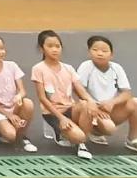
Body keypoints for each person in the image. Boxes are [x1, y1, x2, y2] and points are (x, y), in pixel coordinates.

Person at [76, 35, 137, 156]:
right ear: (89, 52)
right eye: (95, 50)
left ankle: (133, 140)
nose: (100, 53)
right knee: (109, 128)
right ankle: (88, 135)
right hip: (92, 110)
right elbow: (78, 89)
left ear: (111, 54)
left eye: (104, 51)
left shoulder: (117, 68)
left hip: (109, 109)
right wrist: (93, 104)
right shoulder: (86, 66)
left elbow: (126, 93)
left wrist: (112, 102)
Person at [31, 29, 97, 159]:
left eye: (57, 46)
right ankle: (60, 132)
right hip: (53, 113)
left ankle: (81, 144)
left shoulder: (69, 68)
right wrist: (61, 118)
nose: (55, 49)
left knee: (86, 104)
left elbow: (81, 91)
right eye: (50, 46)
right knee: (78, 136)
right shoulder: (38, 69)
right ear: (41, 48)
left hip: (70, 109)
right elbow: (42, 99)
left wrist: (91, 102)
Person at [0, 30, 37, 152]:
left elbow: (22, 90)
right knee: (10, 136)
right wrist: (9, 115)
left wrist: (19, 96)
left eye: (2, 48)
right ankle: (5, 132)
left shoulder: (11, 66)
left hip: (15, 106)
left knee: (28, 103)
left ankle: (22, 137)